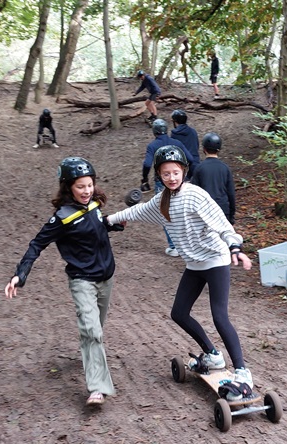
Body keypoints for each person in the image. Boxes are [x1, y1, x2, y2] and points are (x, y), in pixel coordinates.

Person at [107, 145, 254, 400]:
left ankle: (243, 374)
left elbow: (222, 224)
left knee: (219, 316)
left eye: (176, 172)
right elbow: (135, 211)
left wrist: (235, 247)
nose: (172, 177)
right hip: (194, 265)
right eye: (166, 173)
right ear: (159, 175)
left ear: (184, 171)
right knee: (179, 313)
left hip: (216, 260)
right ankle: (213, 355)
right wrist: (106, 220)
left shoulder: (195, 195)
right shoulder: (161, 200)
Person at [4, 157, 124, 406]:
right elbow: (37, 244)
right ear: (68, 186)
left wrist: (114, 225)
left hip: (106, 278)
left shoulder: (93, 206)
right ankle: (97, 388)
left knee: (95, 329)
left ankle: (89, 355)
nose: (86, 191)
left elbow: (97, 227)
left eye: (89, 185)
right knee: (92, 331)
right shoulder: (62, 217)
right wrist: (20, 274)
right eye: (80, 186)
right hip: (82, 280)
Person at [140, 118, 194, 257]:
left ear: (154, 131)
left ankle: (174, 246)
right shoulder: (177, 143)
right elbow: (190, 159)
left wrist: (144, 178)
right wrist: (183, 174)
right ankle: (187, 244)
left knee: (166, 212)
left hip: (162, 182)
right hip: (179, 180)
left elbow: (147, 164)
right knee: (181, 209)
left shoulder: (153, 145)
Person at [192, 132, 236, 224]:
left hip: (205, 211)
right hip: (223, 210)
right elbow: (231, 193)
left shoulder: (199, 168)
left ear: (204, 149)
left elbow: (194, 193)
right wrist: (232, 214)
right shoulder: (225, 168)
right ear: (219, 150)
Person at [170, 109, 200, 176]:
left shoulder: (174, 134)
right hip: (195, 163)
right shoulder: (193, 131)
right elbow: (197, 146)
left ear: (175, 121)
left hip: (182, 165)